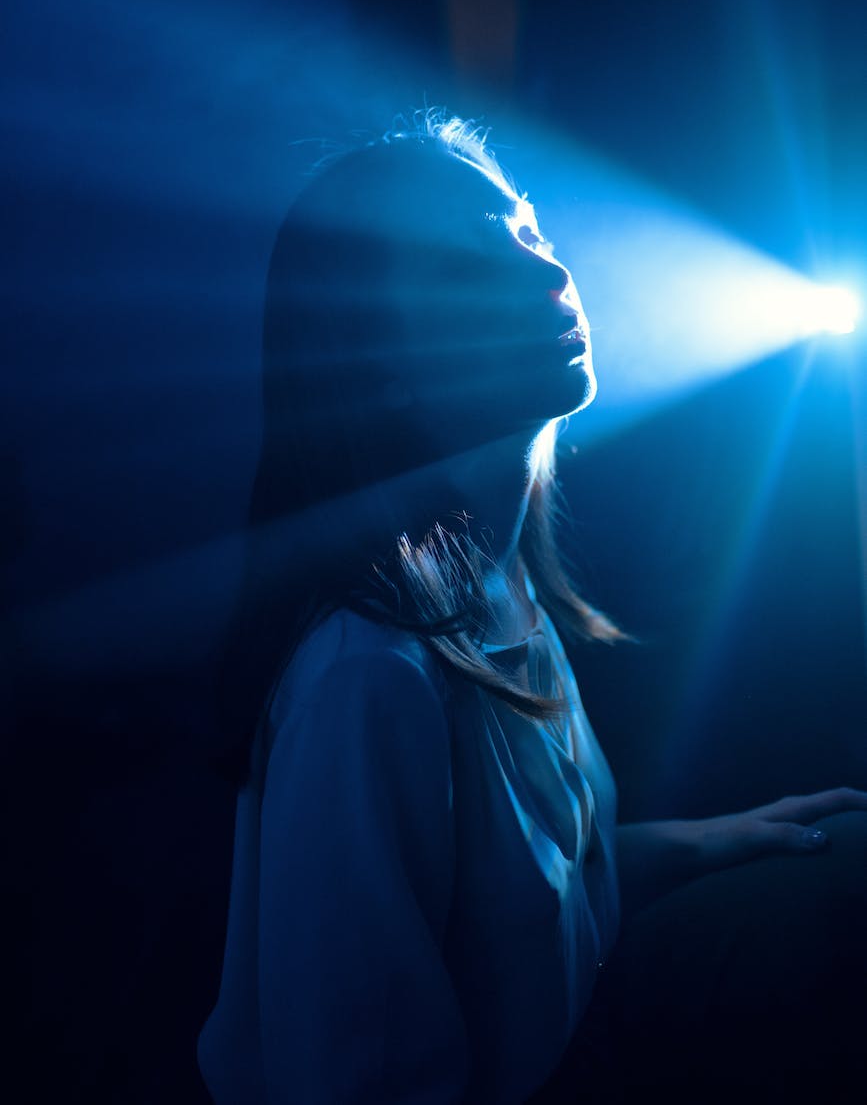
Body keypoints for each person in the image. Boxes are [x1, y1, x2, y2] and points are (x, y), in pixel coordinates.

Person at [198, 112, 867, 1104]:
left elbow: (508, 916)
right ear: (373, 355)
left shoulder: (495, 586)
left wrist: (716, 840)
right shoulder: (369, 679)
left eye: (531, 236)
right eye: (467, 269)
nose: (547, 274)